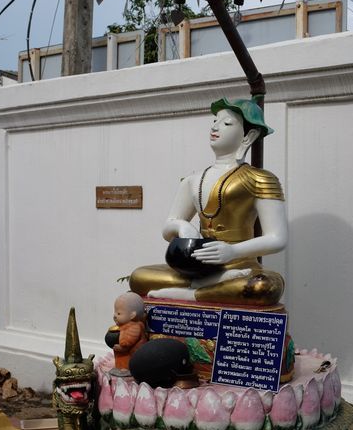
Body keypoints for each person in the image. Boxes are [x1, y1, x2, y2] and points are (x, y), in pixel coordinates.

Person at [130, 97, 288, 306]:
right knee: (139, 277)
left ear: (248, 136)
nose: (215, 127)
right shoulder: (192, 180)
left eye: (226, 123)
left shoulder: (260, 179)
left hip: (239, 266)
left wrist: (232, 251)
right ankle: (209, 286)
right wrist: (183, 227)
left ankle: (192, 294)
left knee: (264, 286)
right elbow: (169, 226)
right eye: (215, 121)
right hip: (197, 266)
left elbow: (277, 238)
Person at [112, 292, 148, 369]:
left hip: (131, 357)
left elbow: (126, 342)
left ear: (132, 315)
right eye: (115, 312)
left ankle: (126, 370)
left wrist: (122, 348)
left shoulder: (134, 327)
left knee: (126, 363)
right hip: (128, 356)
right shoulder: (127, 325)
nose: (114, 316)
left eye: (118, 313)